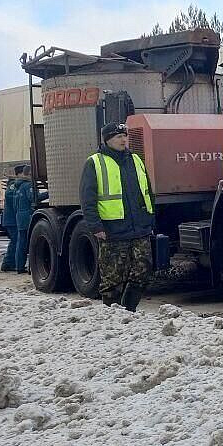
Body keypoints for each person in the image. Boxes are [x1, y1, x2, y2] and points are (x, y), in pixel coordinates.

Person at [80, 124, 155, 311]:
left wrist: (151, 219)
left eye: (124, 136)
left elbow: (147, 192)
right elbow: (87, 199)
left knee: (142, 272)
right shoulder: (95, 162)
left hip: (140, 228)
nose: (123, 140)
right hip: (112, 231)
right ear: (107, 140)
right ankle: (112, 316)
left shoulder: (135, 159)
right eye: (118, 137)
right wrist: (96, 227)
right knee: (113, 279)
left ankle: (128, 311)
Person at [0, 166, 33, 272]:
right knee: (16, 241)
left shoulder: (15, 185)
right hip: (12, 219)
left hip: (13, 218)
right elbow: (13, 200)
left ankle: (9, 263)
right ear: (19, 174)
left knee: (15, 241)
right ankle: (8, 263)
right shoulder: (14, 186)